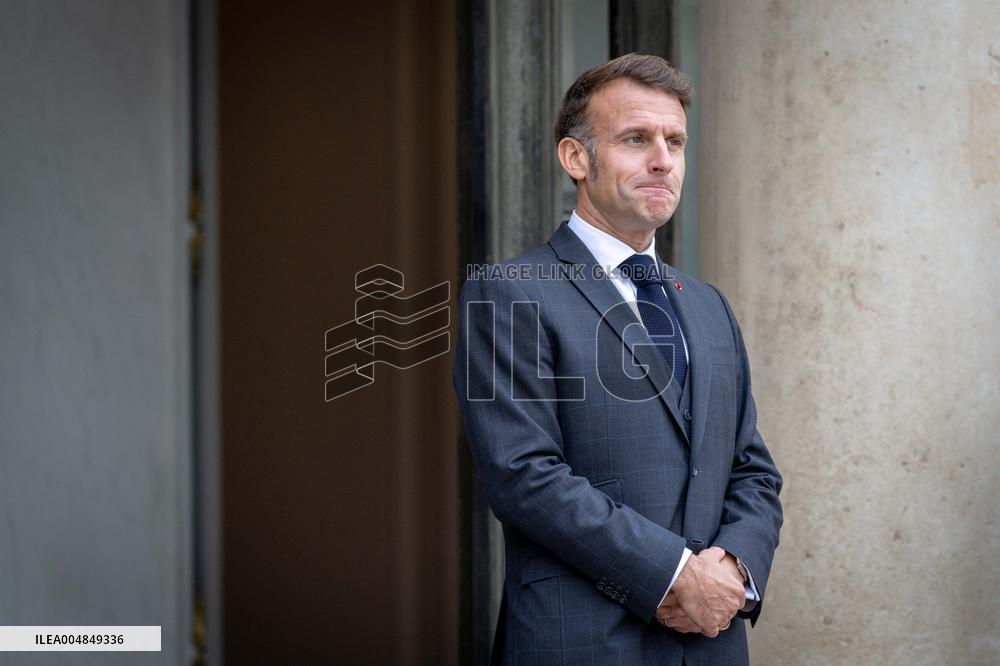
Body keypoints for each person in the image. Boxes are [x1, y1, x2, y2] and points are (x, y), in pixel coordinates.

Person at [453, 54, 783, 665]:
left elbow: (753, 471)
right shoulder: (508, 293)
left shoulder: (709, 306)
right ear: (576, 158)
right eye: (636, 139)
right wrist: (675, 575)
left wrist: (733, 569)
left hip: (711, 645)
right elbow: (524, 476)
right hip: (581, 643)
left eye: (675, 141)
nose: (663, 160)